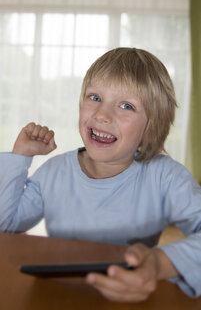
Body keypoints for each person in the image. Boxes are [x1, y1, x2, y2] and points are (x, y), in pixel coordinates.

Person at [0, 47, 201, 303]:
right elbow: (5, 226)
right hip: (63, 295)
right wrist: (20, 157)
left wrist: (159, 264)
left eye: (126, 105)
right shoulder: (54, 172)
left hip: (130, 298)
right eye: (94, 97)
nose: (102, 115)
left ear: (151, 126)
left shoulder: (166, 177)